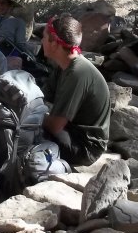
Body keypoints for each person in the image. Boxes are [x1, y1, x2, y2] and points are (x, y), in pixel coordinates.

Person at [41, 13, 110, 166]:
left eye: (44, 37)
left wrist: (33, 115)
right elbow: (42, 97)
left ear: (55, 43)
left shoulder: (77, 73)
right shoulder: (63, 66)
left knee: (29, 131)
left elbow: (55, 125)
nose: (41, 41)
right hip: (71, 131)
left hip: (85, 146)